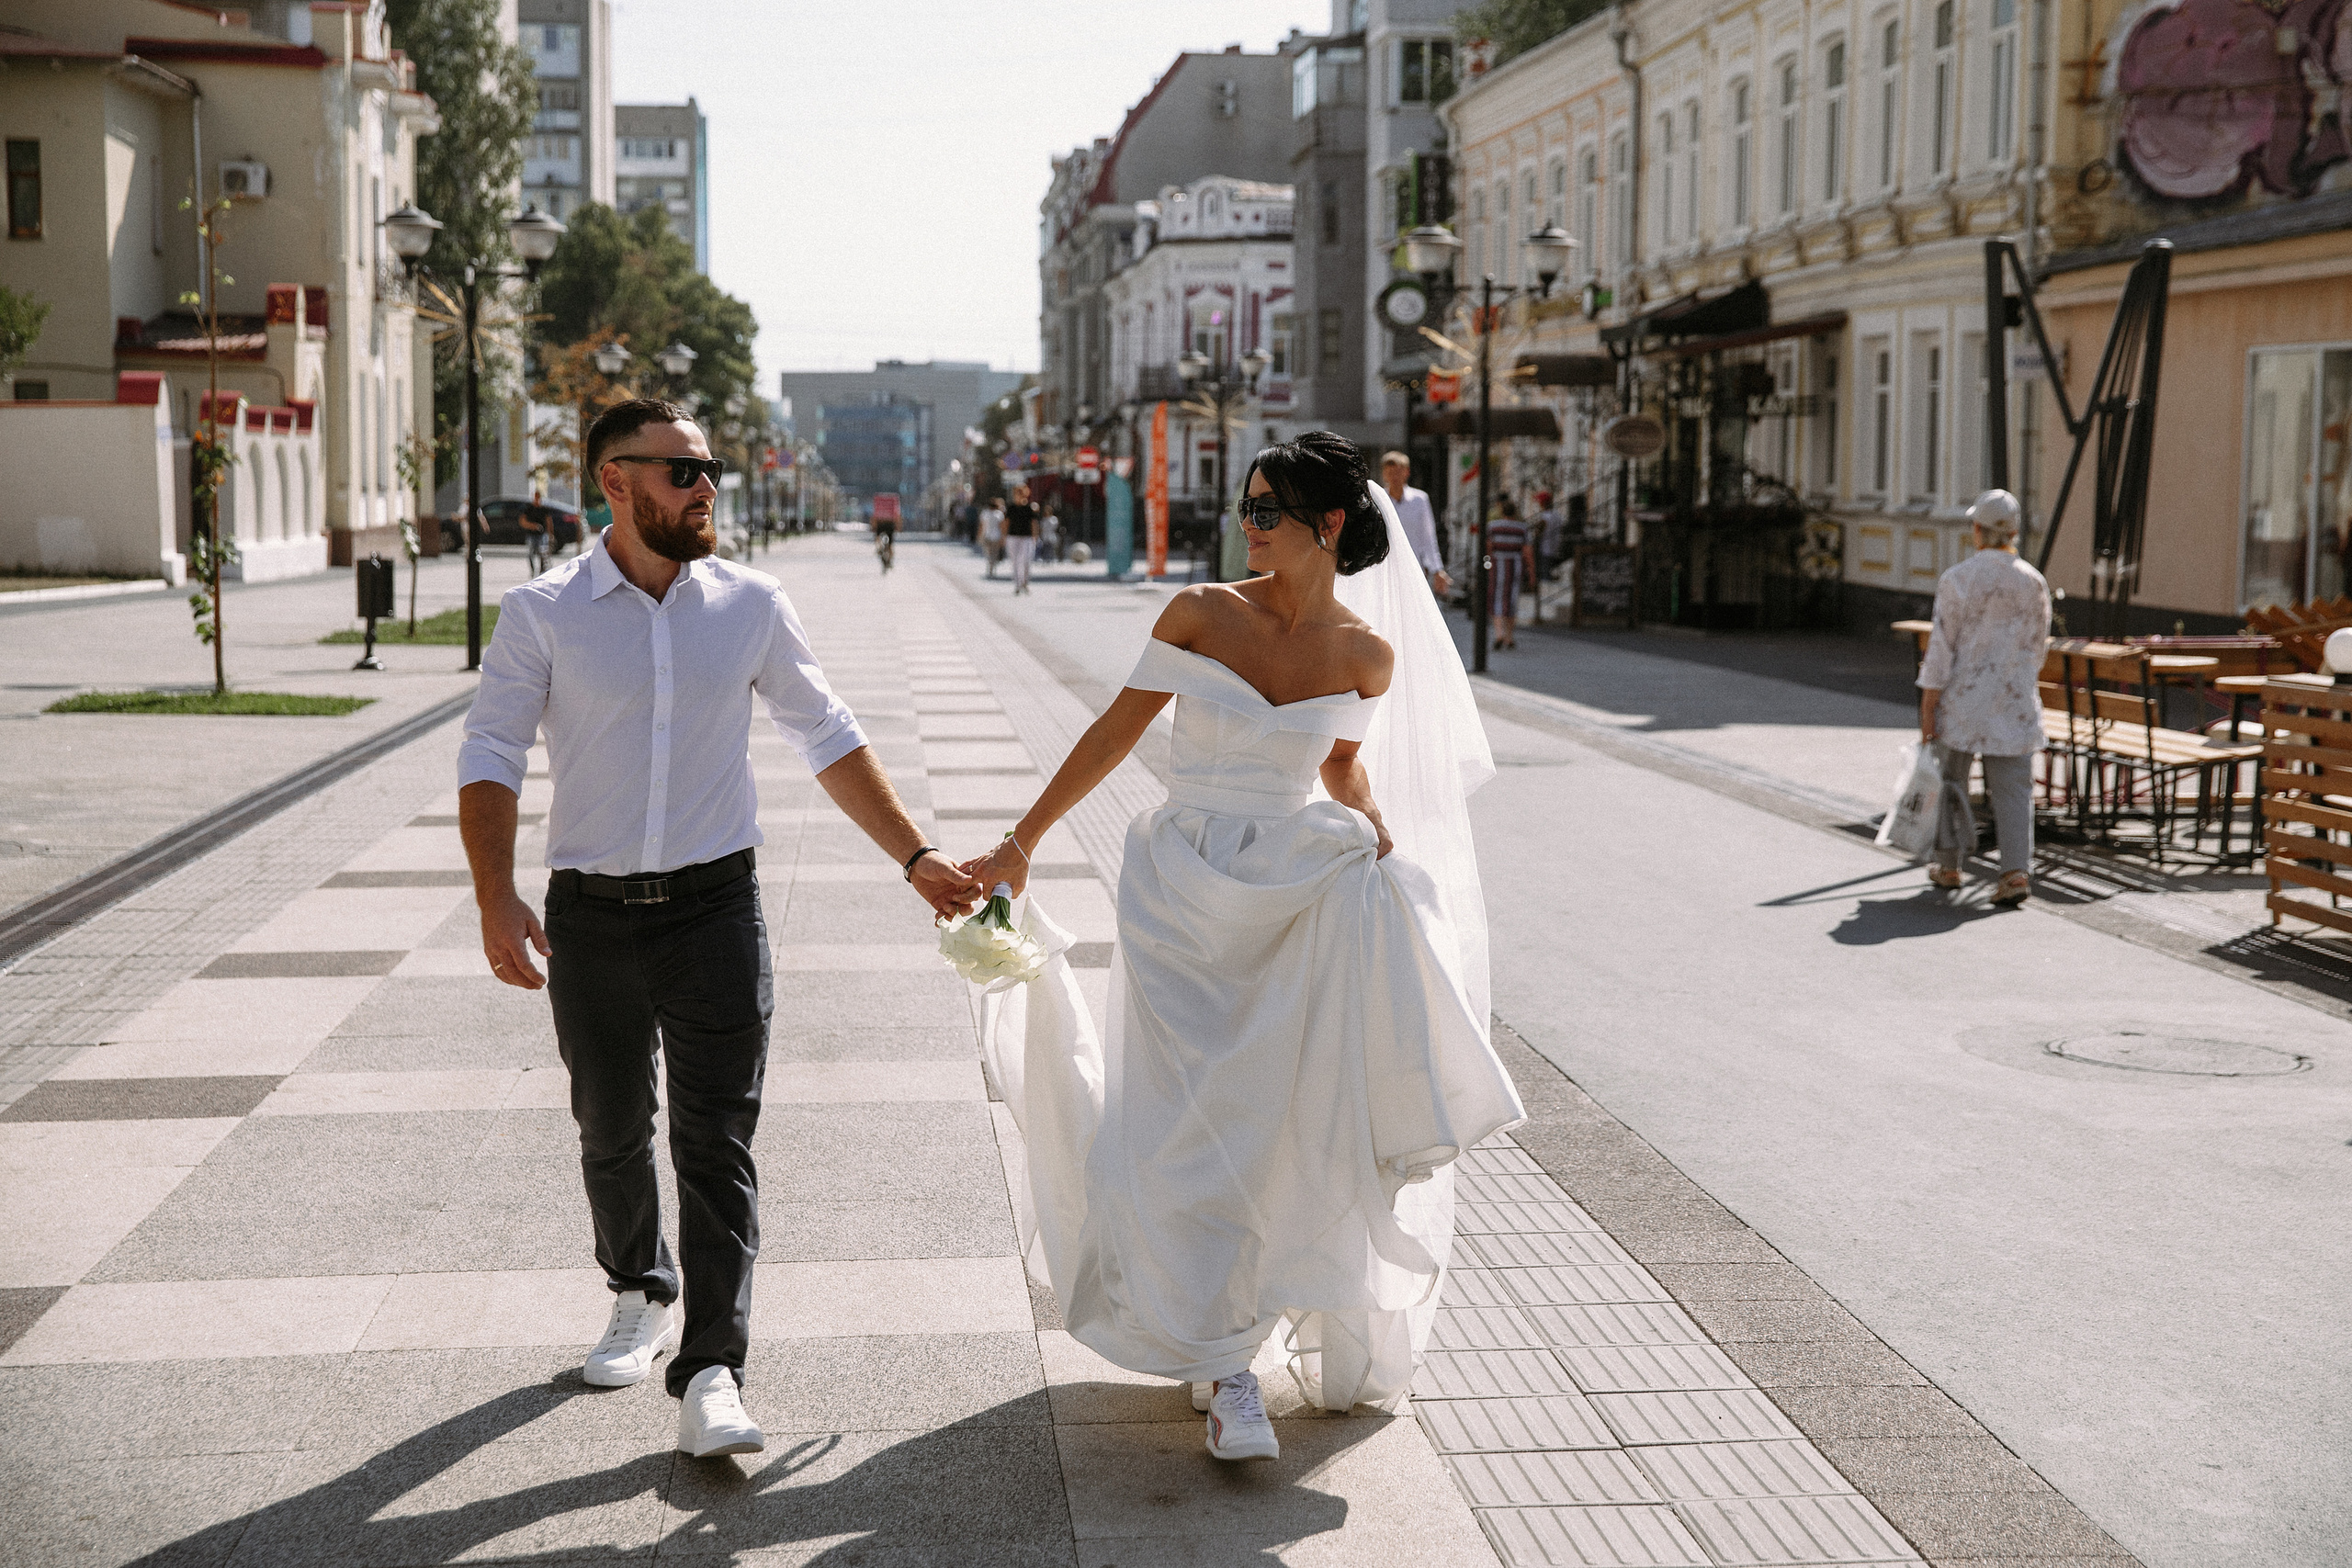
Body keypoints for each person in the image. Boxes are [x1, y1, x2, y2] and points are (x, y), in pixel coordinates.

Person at [960, 431, 1522, 1464]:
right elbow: (1114, 732)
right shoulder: (1202, 614)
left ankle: (1226, 1353)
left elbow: (1342, 762)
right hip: (1178, 884)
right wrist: (1018, 844)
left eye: (1268, 509)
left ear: (1330, 523)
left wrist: (1375, 825)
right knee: (1182, 1120)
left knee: (1265, 1121)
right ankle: (1217, 1356)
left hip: (1293, 891)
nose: (1248, 523)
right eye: (1246, 506)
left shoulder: (1367, 652)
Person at [456, 398, 983, 1460]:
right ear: (615, 481)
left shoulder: (749, 601)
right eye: (685, 473)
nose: (707, 491)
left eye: (712, 472)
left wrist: (915, 857)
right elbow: (491, 754)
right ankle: (639, 1289)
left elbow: (825, 731)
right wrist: (492, 894)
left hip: (714, 909)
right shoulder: (543, 610)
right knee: (610, 1126)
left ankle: (713, 1369)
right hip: (590, 918)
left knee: (715, 1142)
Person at [1917, 489, 2051, 908]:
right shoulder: (2033, 581)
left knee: (1951, 779)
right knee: (2013, 789)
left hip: (1964, 700)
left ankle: (1949, 864)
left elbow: (1942, 647)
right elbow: (2037, 646)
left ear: (1978, 530)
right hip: (2013, 699)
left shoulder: (1958, 578)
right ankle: (2014, 872)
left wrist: (1928, 704)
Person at [1379, 451, 1450, 599]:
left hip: (1413, 567)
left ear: (1407, 472)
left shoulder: (1420, 500)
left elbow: (1428, 537)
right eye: (1390, 472)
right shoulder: (1378, 499)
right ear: (1384, 474)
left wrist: (1437, 569)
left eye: (1398, 472)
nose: (1394, 477)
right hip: (1384, 568)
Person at [1484, 498, 1535, 649]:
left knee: (1497, 598)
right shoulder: (1522, 528)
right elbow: (1528, 552)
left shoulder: (1493, 527)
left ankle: (1498, 633)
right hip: (1515, 564)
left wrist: (1487, 563)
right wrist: (1532, 572)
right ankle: (1509, 636)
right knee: (1511, 599)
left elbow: (1488, 548)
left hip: (1497, 563)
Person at [1004, 481, 1040, 595]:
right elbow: (1006, 523)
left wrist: (1035, 537)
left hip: (1027, 538)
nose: (1018, 496)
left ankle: (1025, 581)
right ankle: (1017, 584)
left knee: (1026, 561)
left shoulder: (1029, 508)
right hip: (1013, 537)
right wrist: (1004, 537)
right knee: (1015, 561)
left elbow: (1034, 523)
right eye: (1016, 494)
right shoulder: (1011, 508)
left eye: (1020, 493)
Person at [522, 490, 552, 576]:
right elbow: (522, 521)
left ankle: (541, 570)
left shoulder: (544, 509)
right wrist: (532, 526)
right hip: (531, 534)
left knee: (541, 553)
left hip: (542, 534)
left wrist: (550, 534)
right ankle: (533, 569)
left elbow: (549, 521)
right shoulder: (529, 509)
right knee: (531, 553)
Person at [979, 496, 1006, 578]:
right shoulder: (999, 514)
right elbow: (1002, 527)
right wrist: (1003, 537)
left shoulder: (985, 513)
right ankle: (992, 566)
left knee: (988, 553)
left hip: (987, 535)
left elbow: (982, 525)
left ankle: (990, 565)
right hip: (996, 536)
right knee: (994, 553)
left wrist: (980, 535)